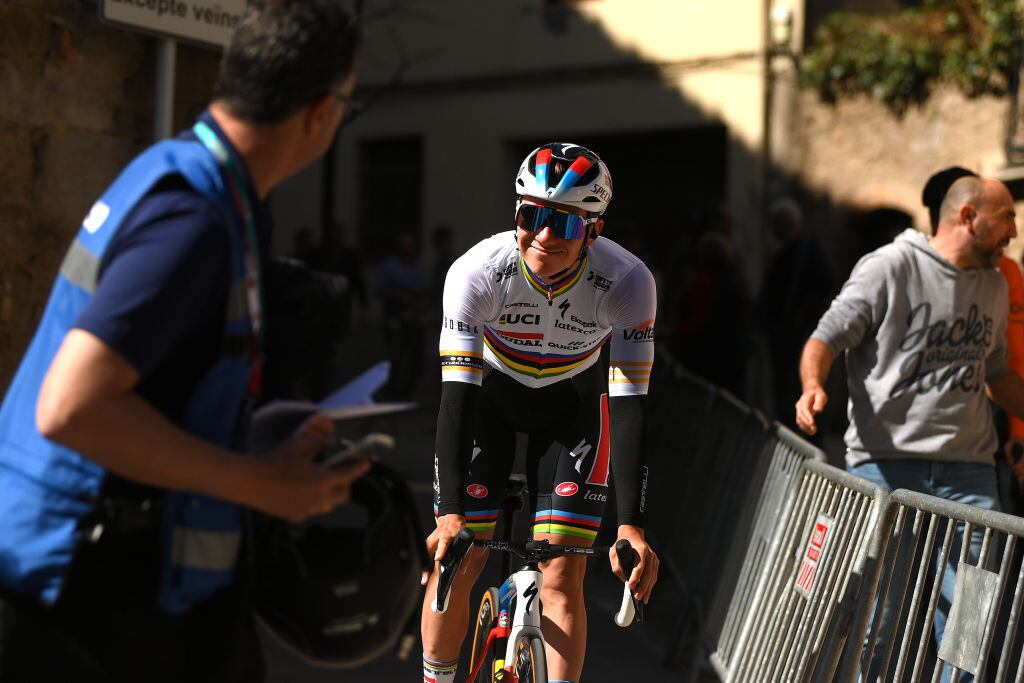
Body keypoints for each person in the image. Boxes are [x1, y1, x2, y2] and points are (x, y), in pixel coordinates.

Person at [0, 3, 367, 681]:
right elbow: (72, 406)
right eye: (349, 104)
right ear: (320, 113)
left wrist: (260, 437)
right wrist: (260, 483)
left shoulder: (187, 177)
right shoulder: (193, 215)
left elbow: (162, 382)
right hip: (85, 598)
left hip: (111, 584)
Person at [420, 143, 660, 683]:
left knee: (561, 578)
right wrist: (450, 512)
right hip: (487, 405)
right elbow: (456, 398)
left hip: (570, 412)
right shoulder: (478, 273)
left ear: (594, 231)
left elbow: (630, 404)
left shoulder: (628, 282)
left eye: (566, 223)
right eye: (532, 216)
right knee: (457, 561)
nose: (545, 235)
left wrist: (631, 525)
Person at [795, 172, 1024, 681]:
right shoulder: (890, 266)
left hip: (970, 475)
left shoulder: (994, 283)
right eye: (1007, 217)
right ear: (969, 217)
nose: (1013, 231)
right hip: (886, 468)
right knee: (880, 622)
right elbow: (825, 338)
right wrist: (813, 385)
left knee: (971, 625)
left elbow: (997, 374)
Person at [755, 197, 834, 424]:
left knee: (795, 386)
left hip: (798, 333)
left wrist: (801, 316)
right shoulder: (789, 251)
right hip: (786, 331)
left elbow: (822, 284)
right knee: (784, 387)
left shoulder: (805, 250)